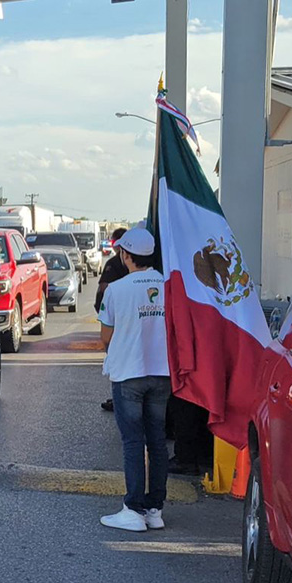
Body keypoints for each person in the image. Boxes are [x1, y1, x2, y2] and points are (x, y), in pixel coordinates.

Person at [97, 227, 170, 532]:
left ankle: (133, 509)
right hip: (162, 373)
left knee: (132, 442)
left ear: (126, 256)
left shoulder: (117, 289)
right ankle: (155, 509)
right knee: (157, 441)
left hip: (128, 374)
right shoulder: (169, 287)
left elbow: (106, 336)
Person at [95, 227, 129, 412]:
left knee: (117, 358)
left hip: (118, 317)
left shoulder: (115, 263)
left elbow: (103, 287)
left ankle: (120, 400)